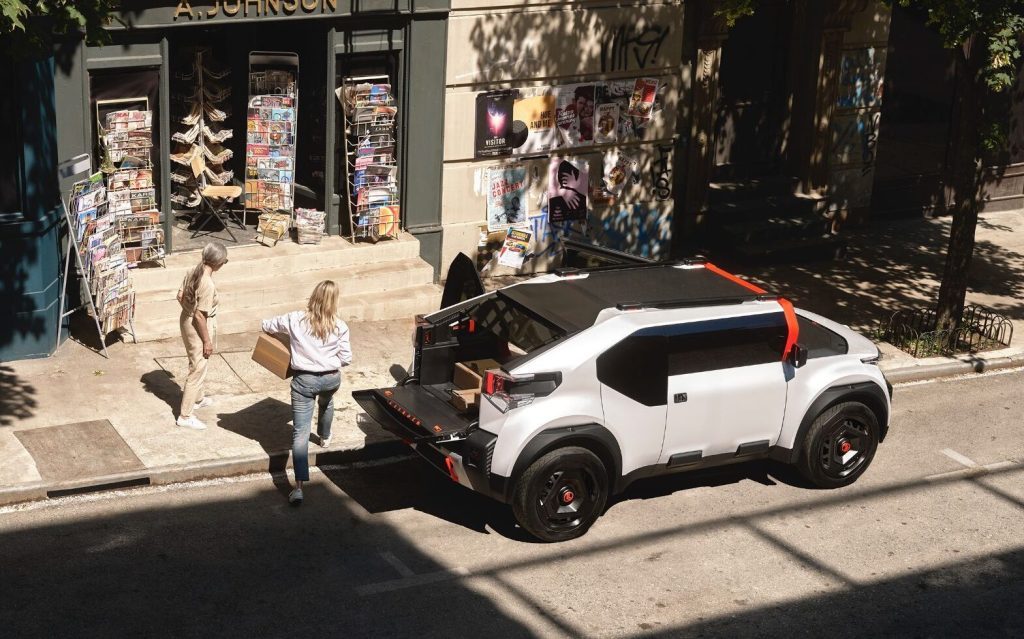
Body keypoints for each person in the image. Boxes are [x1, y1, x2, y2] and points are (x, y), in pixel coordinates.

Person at [262, 280, 352, 505]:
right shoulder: (340, 326)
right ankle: (324, 436)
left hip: (304, 380)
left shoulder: (295, 319)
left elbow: (267, 325)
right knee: (327, 402)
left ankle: (299, 488)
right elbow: (346, 358)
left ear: (314, 297)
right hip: (331, 378)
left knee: (300, 433)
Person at [176, 242, 228, 430]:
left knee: (195, 361)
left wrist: (188, 311)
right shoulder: (207, 283)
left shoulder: (193, 270)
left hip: (186, 320)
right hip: (198, 326)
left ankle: (198, 398)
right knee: (198, 368)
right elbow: (200, 315)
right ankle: (185, 415)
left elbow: (179, 296)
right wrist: (207, 341)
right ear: (219, 263)